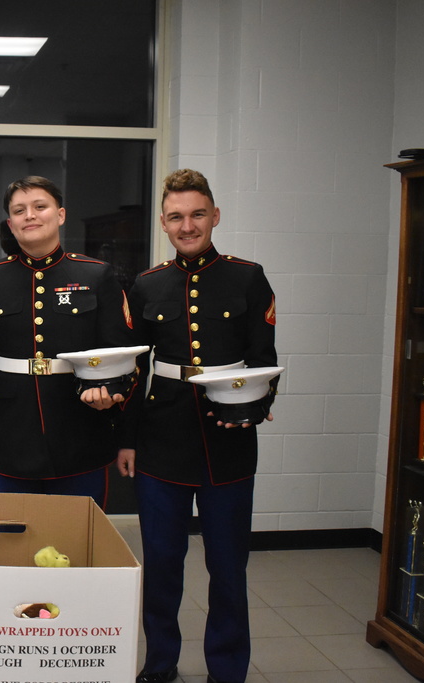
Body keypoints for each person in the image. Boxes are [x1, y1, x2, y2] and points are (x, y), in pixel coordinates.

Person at [117, 169, 278, 683]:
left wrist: (255, 405)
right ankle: (160, 664)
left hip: (228, 440)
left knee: (228, 569)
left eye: (197, 214)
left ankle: (227, 670)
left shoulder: (247, 277)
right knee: (162, 566)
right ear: (164, 223)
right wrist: (126, 439)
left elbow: (264, 357)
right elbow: (134, 370)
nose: (188, 226)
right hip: (162, 441)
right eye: (177, 217)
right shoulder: (145, 285)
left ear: (215, 216)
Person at [0, 176, 137, 506]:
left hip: (80, 433)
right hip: (7, 438)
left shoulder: (96, 276)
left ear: (60, 214)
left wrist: (113, 397)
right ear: (10, 223)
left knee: (78, 544)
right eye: (20, 210)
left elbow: (121, 357)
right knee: (8, 542)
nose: (30, 216)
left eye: (40, 207)